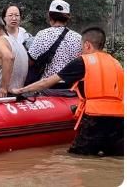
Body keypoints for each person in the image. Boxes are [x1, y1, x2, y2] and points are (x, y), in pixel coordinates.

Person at [11, 27, 123, 156]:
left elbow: (47, 82)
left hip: (95, 117)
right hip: (119, 119)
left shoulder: (83, 61)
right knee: (112, 157)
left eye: (81, 46)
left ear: (87, 45)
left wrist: (21, 90)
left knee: (77, 157)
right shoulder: (116, 63)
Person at [27, 0, 82, 83]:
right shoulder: (78, 38)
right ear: (68, 18)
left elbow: (30, 62)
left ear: (49, 16)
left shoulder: (42, 35)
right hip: (71, 86)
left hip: (47, 86)